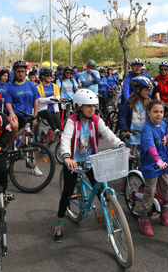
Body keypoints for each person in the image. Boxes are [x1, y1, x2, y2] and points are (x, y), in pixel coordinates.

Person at [55, 89, 125, 242]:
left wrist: (120, 145)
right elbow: (65, 139)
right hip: (73, 162)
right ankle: (59, 223)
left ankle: (108, 218)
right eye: (88, 106)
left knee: (100, 189)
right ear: (79, 106)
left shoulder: (96, 120)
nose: (92, 109)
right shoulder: (72, 121)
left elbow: (108, 134)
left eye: (93, 106)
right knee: (67, 193)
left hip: (91, 160)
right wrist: (66, 157)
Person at [138, 100, 168, 236]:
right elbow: (151, 148)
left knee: (165, 186)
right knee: (150, 191)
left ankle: (164, 210)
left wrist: (165, 138)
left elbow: (166, 133)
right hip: (151, 163)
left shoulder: (163, 124)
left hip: (164, 160)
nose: (159, 114)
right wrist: (157, 161)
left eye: (161, 112)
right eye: (155, 111)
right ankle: (144, 218)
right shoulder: (147, 129)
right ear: (148, 112)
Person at [118, 77, 153, 193]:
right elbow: (122, 116)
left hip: (143, 137)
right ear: (138, 89)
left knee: (144, 161)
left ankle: (142, 183)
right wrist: (124, 128)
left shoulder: (148, 101)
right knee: (127, 161)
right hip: (131, 137)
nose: (148, 92)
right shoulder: (130, 101)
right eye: (146, 90)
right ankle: (125, 182)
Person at [5, 61, 40, 154]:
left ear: (25, 72)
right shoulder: (11, 87)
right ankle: (10, 147)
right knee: (15, 126)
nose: (21, 74)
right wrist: (11, 112)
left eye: (23, 71)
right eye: (18, 71)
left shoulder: (31, 85)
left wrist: (35, 116)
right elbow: (8, 102)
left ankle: (33, 165)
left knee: (29, 141)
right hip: (16, 113)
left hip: (28, 115)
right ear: (14, 72)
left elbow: (36, 100)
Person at [36, 67, 62, 136]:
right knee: (47, 112)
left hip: (54, 110)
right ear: (42, 76)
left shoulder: (55, 86)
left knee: (59, 127)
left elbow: (58, 98)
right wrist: (52, 98)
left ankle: (50, 135)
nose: (50, 77)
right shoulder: (39, 87)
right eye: (48, 75)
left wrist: (46, 99)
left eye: (51, 75)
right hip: (43, 111)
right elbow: (40, 100)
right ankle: (55, 130)